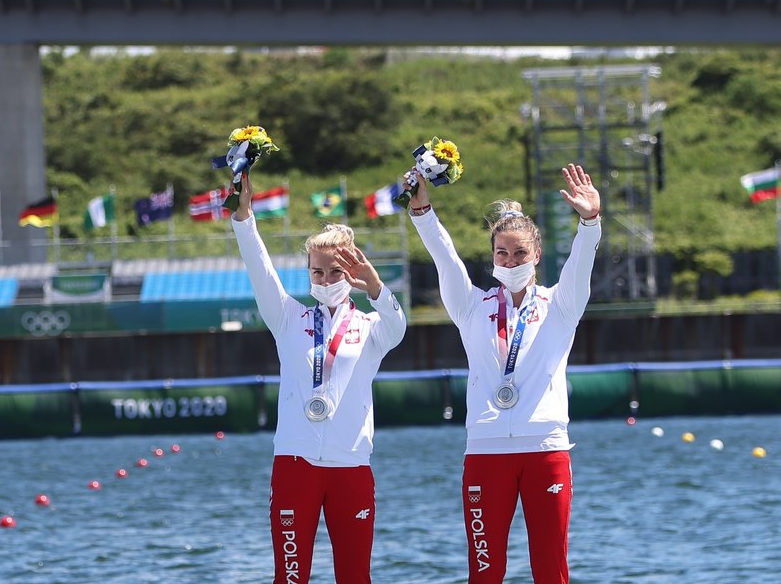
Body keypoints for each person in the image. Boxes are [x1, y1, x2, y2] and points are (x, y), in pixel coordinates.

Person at [404, 163, 601, 584]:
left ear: (537, 255)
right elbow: (445, 257)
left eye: (520, 253)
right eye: (502, 253)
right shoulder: (471, 306)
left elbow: (582, 264)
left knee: (551, 569)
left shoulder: (561, 305)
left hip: (546, 449)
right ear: (492, 255)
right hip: (485, 451)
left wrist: (589, 222)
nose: (510, 260)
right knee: (485, 571)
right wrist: (423, 211)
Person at [231, 171, 407, 584]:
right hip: (295, 464)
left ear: (351, 274)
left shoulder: (370, 326)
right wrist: (244, 218)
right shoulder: (287, 317)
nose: (326, 280)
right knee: (290, 578)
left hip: (352, 466)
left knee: (355, 578)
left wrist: (378, 287)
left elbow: (398, 327)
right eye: (318, 273)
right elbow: (260, 269)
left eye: (334, 272)